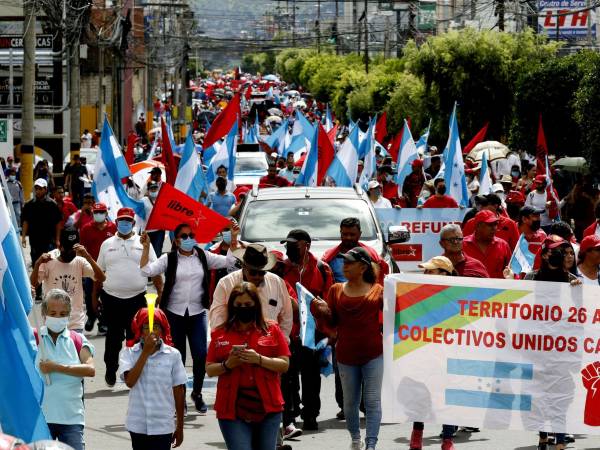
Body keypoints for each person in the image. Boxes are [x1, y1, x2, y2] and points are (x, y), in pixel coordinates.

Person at [139, 222, 239, 413]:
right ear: (176, 241)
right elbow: (146, 271)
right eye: (184, 236)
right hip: (174, 313)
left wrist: (233, 238)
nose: (188, 239)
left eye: (191, 235)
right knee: (178, 357)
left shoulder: (203, 255)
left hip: (197, 312)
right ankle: (180, 397)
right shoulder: (168, 258)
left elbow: (229, 262)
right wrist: (145, 248)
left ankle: (198, 394)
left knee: (201, 355)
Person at [312, 247, 383, 450]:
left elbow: (396, 316)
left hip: (374, 354)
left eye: (349, 263)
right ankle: (355, 439)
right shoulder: (335, 289)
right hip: (346, 355)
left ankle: (371, 444)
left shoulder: (379, 291)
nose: (344, 266)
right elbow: (332, 321)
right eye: (344, 262)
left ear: (362, 267)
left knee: (372, 400)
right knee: (349, 403)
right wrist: (321, 311)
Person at [206, 282, 290, 450]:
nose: (243, 308)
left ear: (256, 306)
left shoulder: (271, 329)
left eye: (248, 305)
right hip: (232, 410)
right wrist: (228, 364)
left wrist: (259, 359)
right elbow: (209, 368)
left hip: (268, 408)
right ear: (232, 306)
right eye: (238, 305)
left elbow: (284, 364)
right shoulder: (220, 332)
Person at [95, 207, 163, 387]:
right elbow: (99, 272)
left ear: (133, 223)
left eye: (128, 221)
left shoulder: (144, 243)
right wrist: (94, 297)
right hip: (112, 298)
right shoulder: (107, 244)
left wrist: (160, 292)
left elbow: (155, 269)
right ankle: (111, 368)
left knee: (135, 338)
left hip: (137, 298)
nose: (124, 224)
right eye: (121, 221)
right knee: (113, 339)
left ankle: (132, 372)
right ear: (116, 222)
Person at [523, 235, 578, 450]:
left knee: (561, 396)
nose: (561, 256)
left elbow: (580, 314)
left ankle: (561, 440)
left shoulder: (572, 280)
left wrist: (578, 293)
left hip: (562, 351)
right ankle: (543, 436)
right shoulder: (531, 279)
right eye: (555, 252)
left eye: (563, 252)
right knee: (539, 396)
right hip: (536, 349)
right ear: (545, 254)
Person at [280, 229, 334, 432]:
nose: (289, 248)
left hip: (314, 332)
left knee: (311, 376)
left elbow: (329, 300)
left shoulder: (322, 268)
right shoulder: (281, 269)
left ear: (306, 245)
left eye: (294, 244)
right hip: (288, 330)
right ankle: (291, 416)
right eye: (287, 245)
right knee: (288, 375)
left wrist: (328, 332)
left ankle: (311, 414)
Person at [118, 308, 186, 450]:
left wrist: (180, 427)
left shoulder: (173, 355)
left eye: (156, 326)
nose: (151, 331)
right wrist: (145, 353)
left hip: (163, 426)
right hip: (137, 425)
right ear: (139, 330)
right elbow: (130, 381)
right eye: (146, 326)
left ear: (162, 330)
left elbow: (179, 391)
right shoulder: (129, 352)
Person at [36, 289, 95, 450]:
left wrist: (56, 367)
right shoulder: (34, 339)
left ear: (69, 315)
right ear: (44, 314)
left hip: (71, 419)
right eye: (53, 313)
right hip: (40, 419)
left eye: (62, 314)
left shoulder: (77, 339)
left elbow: (90, 369)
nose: (57, 317)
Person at [409, 256, 458, 450]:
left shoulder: (457, 296)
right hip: (424, 354)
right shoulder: (416, 295)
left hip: (448, 355)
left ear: (444, 274)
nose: (426, 274)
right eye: (426, 270)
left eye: (431, 270)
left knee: (447, 396)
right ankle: (417, 435)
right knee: (421, 394)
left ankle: (447, 440)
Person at [209, 243, 293, 338]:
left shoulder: (277, 282)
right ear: (243, 266)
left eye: (261, 272)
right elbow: (217, 318)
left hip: (268, 344)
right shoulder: (226, 283)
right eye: (253, 272)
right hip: (236, 345)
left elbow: (287, 316)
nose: (257, 276)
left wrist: (281, 341)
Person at [31, 228, 106, 333]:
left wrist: (87, 256)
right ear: (60, 246)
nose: (70, 253)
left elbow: (101, 278)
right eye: (66, 249)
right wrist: (38, 264)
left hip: (75, 323)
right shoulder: (48, 260)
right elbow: (33, 285)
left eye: (73, 250)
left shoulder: (80, 261)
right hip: (53, 321)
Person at [80, 202, 116, 334]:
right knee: (90, 294)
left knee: (106, 295)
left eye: (101, 212)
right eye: (96, 212)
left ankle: (103, 321)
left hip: (110, 269)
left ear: (106, 214)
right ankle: (91, 315)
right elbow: (82, 250)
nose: (98, 215)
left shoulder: (113, 228)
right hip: (91, 269)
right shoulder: (86, 229)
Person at [21, 178, 63, 269]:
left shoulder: (52, 204)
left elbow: (58, 223)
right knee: (36, 264)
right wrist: (23, 237)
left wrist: (58, 239)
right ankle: (37, 283)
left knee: (50, 265)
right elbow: (25, 221)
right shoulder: (29, 205)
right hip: (35, 240)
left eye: (40, 189)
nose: (38, 191)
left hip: (49, 241)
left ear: (45, 189)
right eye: (36, 189)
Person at [462, 210, 512, 279]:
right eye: (490, 225)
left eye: (495, 224)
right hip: (469, 289)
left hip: (498, 289)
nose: (494, 228)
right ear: (478, 226)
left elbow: (511, 270)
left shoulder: (503, 245)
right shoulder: (462, 245)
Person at [142, 181, 165, 257]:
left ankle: (157, 268)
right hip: (147, 231)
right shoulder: (143, 200)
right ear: (148, 190)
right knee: (146, 253)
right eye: (152, 189)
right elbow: (139, 216)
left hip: (159, 231)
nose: (154, 190)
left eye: (155, 188)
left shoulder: (162, 199)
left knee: (157, 252)